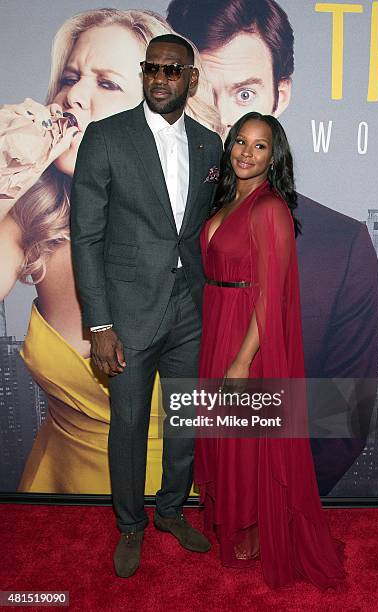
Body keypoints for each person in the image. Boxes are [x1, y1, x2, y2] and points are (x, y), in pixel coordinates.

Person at [167, 0, 378, 496]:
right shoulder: (161, 224)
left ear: (279, 96)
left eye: (244, 93)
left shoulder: (340, 246)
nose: (223, 122)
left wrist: (278, 500)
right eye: (202, 92)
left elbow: (345, 413)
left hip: (271, 491)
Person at [0, 9, 218, 494]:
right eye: (72, 77)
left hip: (186, 487)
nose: (74, 95)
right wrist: (7, 173)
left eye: (107, 83)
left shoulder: (204, 207)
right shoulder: (28, 221)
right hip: (55, 496)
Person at [70, 34, 223, 578]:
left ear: (191, 78)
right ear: (144, 74)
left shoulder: (210, 145)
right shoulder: (107, 137)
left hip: (190, 310)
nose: (161, 79)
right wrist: (100, 324)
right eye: (152, 69)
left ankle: (172, 510)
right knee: (129, 425)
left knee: (183, 421)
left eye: (172, 71)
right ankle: (130, 525)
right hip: (128, 315)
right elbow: (85, 236)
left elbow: (212, 229)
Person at [196, 111, 346, 590]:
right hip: (218, 324)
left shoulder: (270, 208)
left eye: (260, 146)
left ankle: (252, 538)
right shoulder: (225, 200)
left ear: (273, 156)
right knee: (225, 438)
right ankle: (236, 528)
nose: (246, 152)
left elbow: (271, 294)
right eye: (241, 141)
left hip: (248, 339)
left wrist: (242, 360)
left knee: (246, 444)